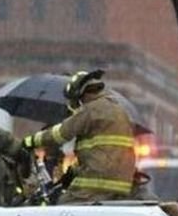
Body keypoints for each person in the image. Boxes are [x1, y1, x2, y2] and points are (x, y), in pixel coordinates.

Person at [22, 69, 136, 204]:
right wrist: (74, 171)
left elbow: (61, 134)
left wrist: (30, 141)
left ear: (80, 95)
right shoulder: (120, 111)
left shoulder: (90, 110)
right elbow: (104, 152)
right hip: (121, 185)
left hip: (95, 184)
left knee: (60, 207)